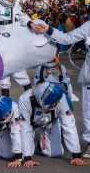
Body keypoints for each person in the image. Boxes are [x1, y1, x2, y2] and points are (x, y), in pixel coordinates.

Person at [30, 19, 90, 158]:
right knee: (88, 110)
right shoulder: (88, 26)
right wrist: (48, 30)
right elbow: (66, 38)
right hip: (89, 75)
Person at [17, 82, 84, 167]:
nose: (58, 102)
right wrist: (28, 158)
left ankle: (41, 144)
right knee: (17, 154)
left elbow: (69, 125)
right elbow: (24, 128)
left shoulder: (60, 97)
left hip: (49, 122)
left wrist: (76, 155)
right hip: (28, 123)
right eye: (54, 101)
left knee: (54, 153)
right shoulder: (24, 100)